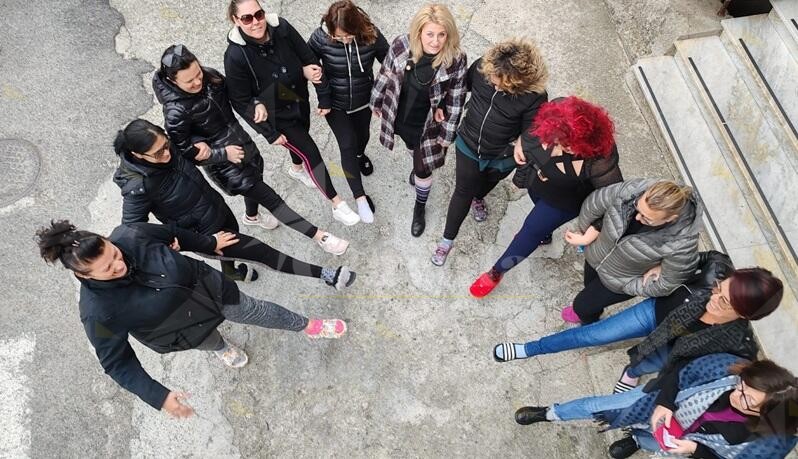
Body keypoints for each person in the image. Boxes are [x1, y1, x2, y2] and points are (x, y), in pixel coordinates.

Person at [36, 220, 347, 418]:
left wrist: (208, 243)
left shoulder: (131, 234)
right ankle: (223, 348)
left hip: (211, 290)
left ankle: (307, 325)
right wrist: (159, 397)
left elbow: (172, 233)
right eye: (107, 269)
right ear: (83, 275)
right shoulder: (97, 312)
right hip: (183, 329)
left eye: (114, 254)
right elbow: (117, 363)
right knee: (211, 342)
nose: (119, 264)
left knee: (256, 309)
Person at [112, 118, 355, 290]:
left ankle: (231, 271)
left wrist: (211, 149)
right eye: (158, 154)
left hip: (217, 209)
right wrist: (194, 242)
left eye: (166, 146)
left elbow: (191, 149)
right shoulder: (137, 188)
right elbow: (132, 232)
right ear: (137, 155)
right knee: (263, 252)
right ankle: (327, 275)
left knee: (236, 242)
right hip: (205, 234)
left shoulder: (167, 148)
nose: (166, 154)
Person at [493, 251, 784, 394]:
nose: (713, 297)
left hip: (674, 345)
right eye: (718, 288)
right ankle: (530, 348)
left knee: (648, 363)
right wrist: (662, 265)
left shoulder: (735, 343)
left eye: (723, 301)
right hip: (654, 312)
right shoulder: (718, 268)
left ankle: (631, 372)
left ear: (746, 315)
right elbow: (705, 257)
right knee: (591, 336)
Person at [153, 44, 349, 255]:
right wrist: (223, 154)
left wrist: (257, 103)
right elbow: (187, 153)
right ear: (173, 81)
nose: (198, 82)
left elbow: (239, 96)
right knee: (272, 199)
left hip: (244, 145)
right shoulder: (175, 113)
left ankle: (251, 217)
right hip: (224, 165)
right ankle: (321, 237)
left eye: (198, 73)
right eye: (189, 81)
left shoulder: (211, 77)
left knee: (257, 181)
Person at [223, 0, 360, 226]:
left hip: (298, 100)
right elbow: (239, 100)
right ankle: (337, 203)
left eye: (259, 14)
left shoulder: (282, 28)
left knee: (302, 146)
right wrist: (269, 133)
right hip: (276, 116)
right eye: (247, 18)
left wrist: (322, 95)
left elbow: (309, 60)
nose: (256, 22)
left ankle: (296, 170)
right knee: (310, 152)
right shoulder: (236, 56)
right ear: (235, 20)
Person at [468, 96, 622, 293]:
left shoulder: (601, 158)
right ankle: (545, 235)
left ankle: (497, 272)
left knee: (529, 232)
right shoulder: (559, 112)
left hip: (563, 201)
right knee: (538, 220)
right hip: (537, 182)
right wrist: (521, 142)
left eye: (565, 147)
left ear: (585, 144)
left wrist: (592, 232)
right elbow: (531, 123)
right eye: (553, 142)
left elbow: (616, 200)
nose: (555, 151)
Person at [514, 354, 798, 459]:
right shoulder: (728, 369)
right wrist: (663, 403)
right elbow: (682, 371)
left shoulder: (767, 446)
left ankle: (638, 439)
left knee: (656, 442)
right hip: (660, 403)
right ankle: (552, 413)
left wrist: (695, 450)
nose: (736, 394)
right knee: (600, 405)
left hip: (685, 443)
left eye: (748, 399)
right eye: (741, 385)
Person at [430, 38, 548, 265]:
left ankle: (479, 198)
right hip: (469, 143)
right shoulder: (484, 68)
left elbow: (533, 128)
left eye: (500, 85)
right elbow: (461, 89)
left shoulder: (535, 96)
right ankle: (447, 240)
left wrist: (523, 142)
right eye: (491, 80)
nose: (493, 86)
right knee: (462, 191)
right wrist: (442, 106)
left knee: (486, 184)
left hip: (502, 155)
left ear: (517, 82)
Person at [369, 3, 467, 237]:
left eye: (441, 34)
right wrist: (376, 101)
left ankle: (419, 206)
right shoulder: (402, 44)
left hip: (429, 126)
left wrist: (447, 134)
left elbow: (456, 97)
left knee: (423, 169)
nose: (435, 41)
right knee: (412, 149)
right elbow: (386, 72)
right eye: (430, 34)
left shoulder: (455, 59)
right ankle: (415, 161)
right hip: (400, 116)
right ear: (419, 32)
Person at [551, 178, 702, 325]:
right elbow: (595, 203)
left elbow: (667, 283)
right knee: (589, 288)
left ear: (671, 218)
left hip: (619, 281)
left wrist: (626, 286)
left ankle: (589, 321)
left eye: (647, 219)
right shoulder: (633, 190)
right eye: (637, 208)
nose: (637, 217)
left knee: (581, 306)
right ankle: (593, 311)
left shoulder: (683, 243)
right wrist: (586, 235)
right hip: (597, 255)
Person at [307, 0, 389, 224]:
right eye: (338, 37)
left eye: (348, 36)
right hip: (336, 103)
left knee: (362, 137)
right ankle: (360, 197)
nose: (343, 40)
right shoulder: (320, 37)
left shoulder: (370, 34)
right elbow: (309, 66)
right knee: (347, 144)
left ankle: (361, 156)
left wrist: (383, 95)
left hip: (364, 99)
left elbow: (389, 62)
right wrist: (322, 95)